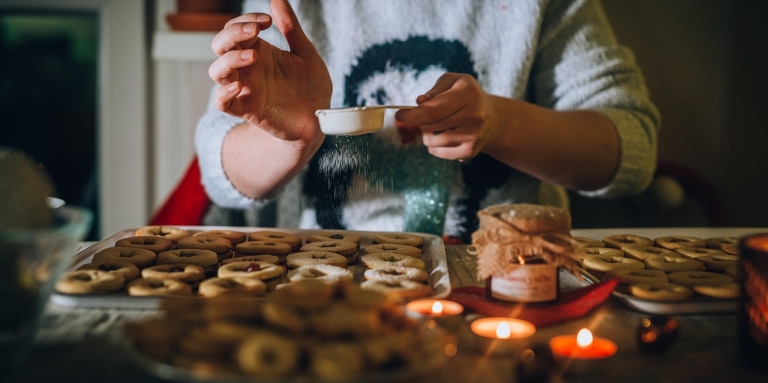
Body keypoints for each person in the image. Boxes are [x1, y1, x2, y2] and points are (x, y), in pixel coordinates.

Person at [195, 0, 660, 242]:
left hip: (507, 283)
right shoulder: (288, 8)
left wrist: (500, 124)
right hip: (332, 283)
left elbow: (630, 149)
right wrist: (290, 141)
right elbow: (221, 169)